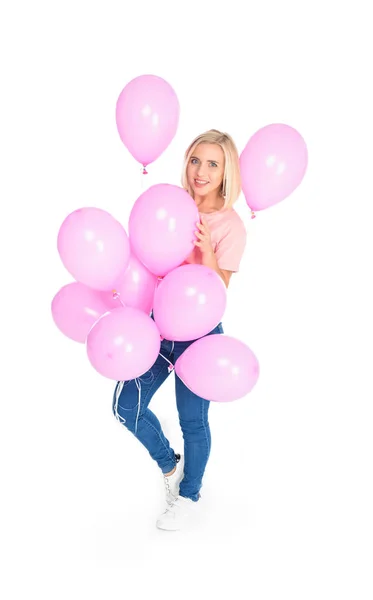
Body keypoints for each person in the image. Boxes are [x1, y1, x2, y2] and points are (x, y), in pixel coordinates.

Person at [112, 129, 247, 531]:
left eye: (212, 164)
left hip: (200, 335)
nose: (200, 171)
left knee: (194, 422)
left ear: (226, 172)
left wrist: (205, 252)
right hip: (155, 326)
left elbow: (220, 287)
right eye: (195, 160)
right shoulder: (169, 204)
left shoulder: (230, 225)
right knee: (126, 409)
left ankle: (189, 495)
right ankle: (170, 464)